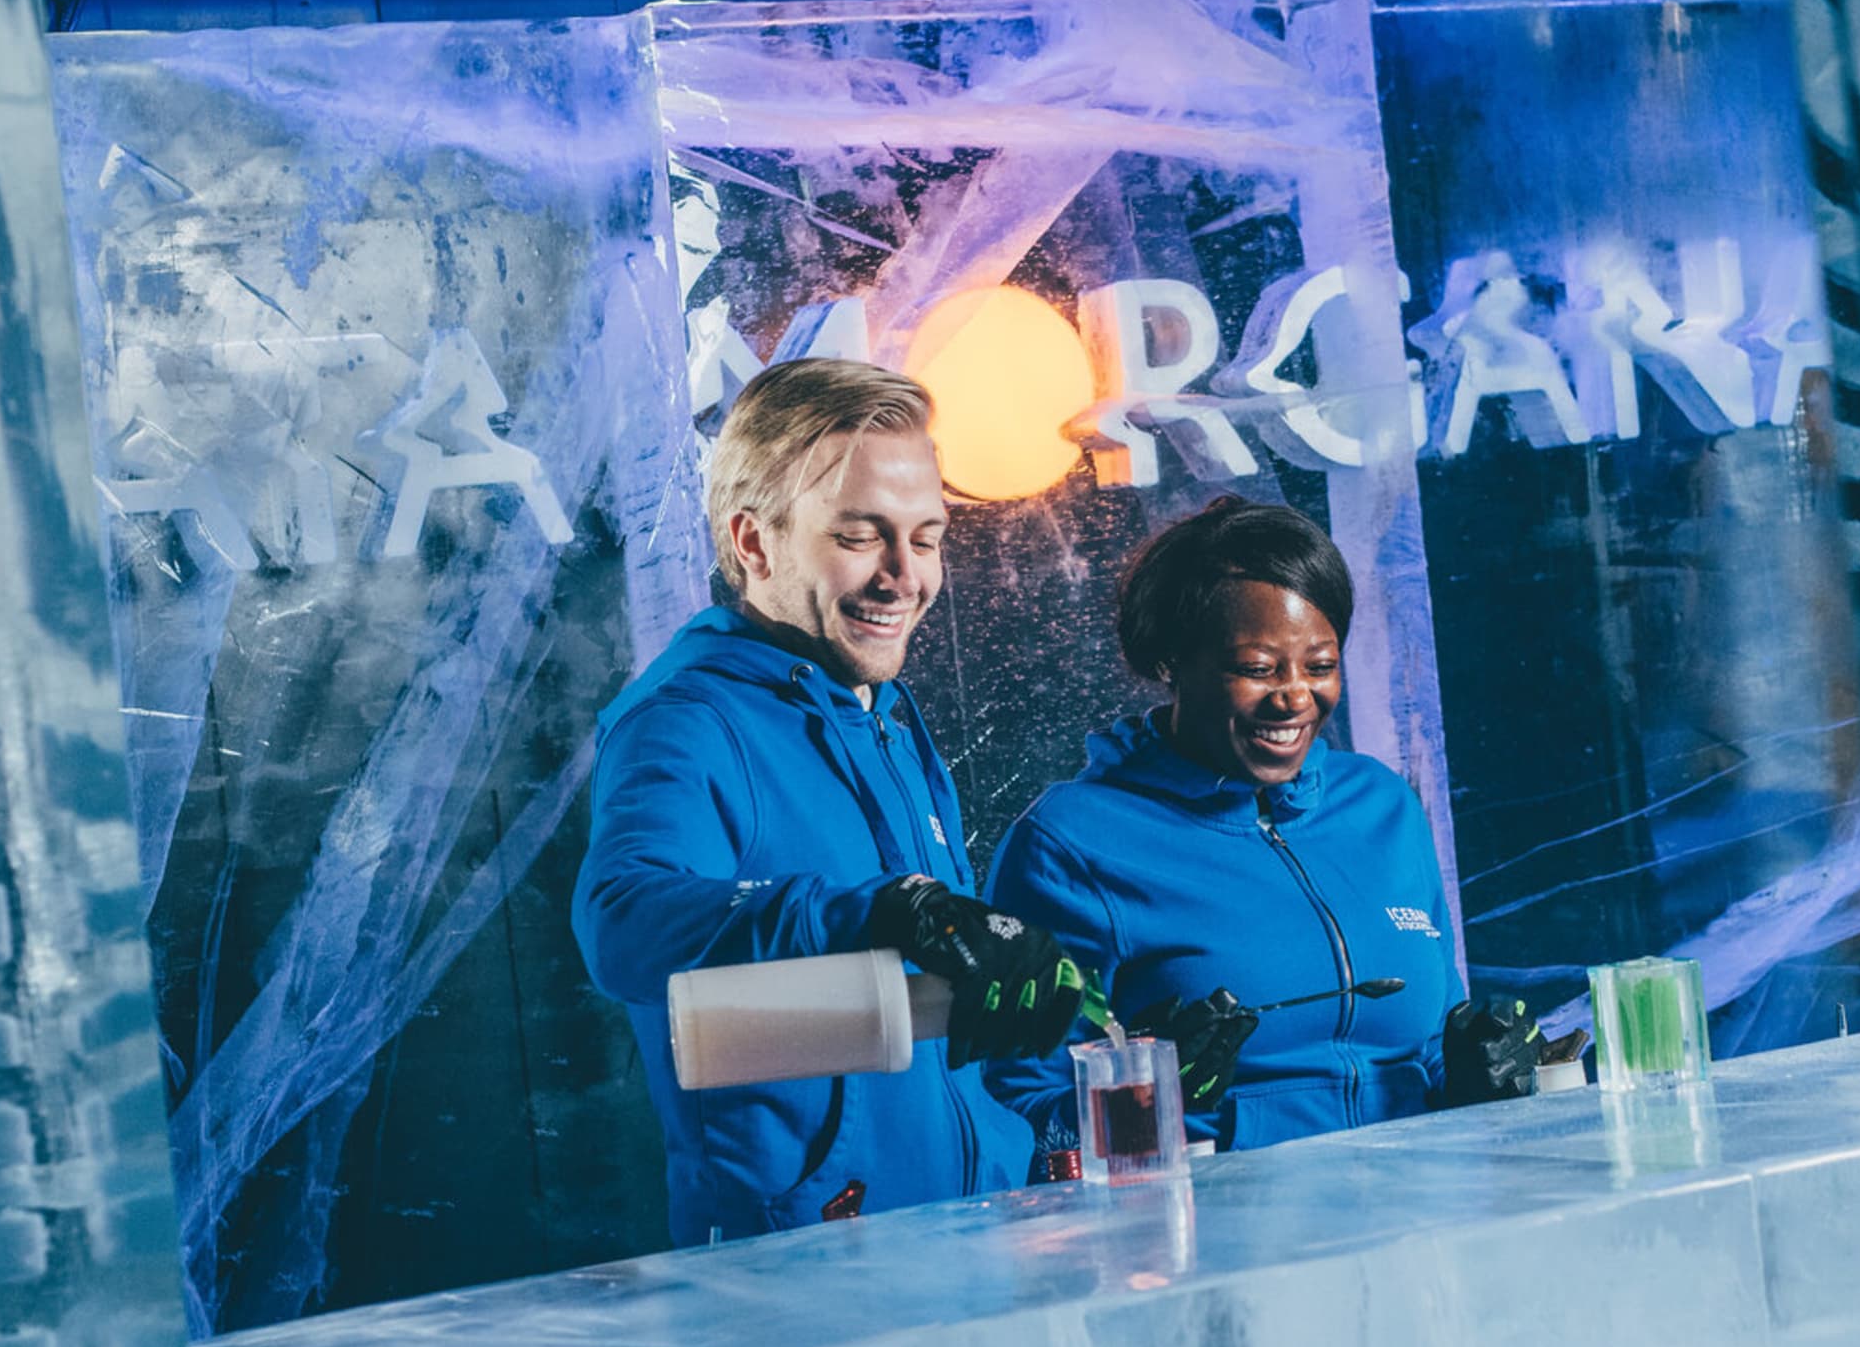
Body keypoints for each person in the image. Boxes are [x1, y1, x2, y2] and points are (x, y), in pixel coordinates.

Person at [575, 358, 1086, 1245]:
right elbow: (622, 920)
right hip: (812, 1271)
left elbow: (931, 1021)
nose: (905, 576)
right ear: (754, 541)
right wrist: (880, 909)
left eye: (926, 539)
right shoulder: (688, 721)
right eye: (861, 535)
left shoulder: (877, 708)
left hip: (969, 1245)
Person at [985, 496, 1575, 1154]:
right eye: (1258, 668)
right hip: (1230, 1240)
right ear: (1171, 661)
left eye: (1320, 665)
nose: (1295, 695)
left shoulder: (1383, 807)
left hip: (1424, 1224)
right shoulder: (1070, 845)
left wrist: (1481, 1081)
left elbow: (1430, 1048)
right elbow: (1015, 1118)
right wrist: (1146, 1097)